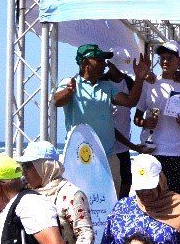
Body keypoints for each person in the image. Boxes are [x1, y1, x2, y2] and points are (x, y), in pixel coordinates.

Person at [52, 44, 140, 172]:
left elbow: (130, 101)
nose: (105, 65)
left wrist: (140, 78)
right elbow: (57, 101)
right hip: (79, 156)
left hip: (107, 157)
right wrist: (68, 91)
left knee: (115, 192)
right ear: (85, 63)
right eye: (100, 60)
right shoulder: (69, 82)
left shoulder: (107, 86)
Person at [136, 41, 180, 200]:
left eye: (170, 58)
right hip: (151, 152)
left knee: (175, 202)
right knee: (150, 201)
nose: (165, 61)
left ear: (178, 61)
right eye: (162, 57)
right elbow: (137, 118)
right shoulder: (148, 83)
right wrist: (145, 123)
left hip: (177, 154)